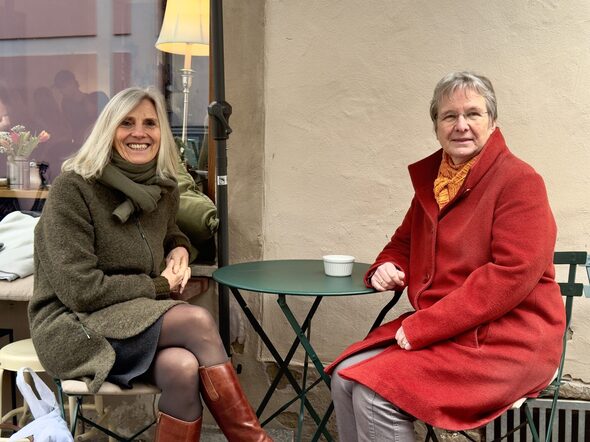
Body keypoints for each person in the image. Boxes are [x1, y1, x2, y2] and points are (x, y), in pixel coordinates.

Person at [326, 72, 565, 441]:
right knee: (344, 377)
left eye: (473, 114)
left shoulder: (519, 180)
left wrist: (424, 327)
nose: (461, 125)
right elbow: (403, 243)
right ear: (436, 126)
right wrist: (388, 266)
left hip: (507, 341)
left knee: (375, 396)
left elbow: (510, 275)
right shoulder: (436, 183)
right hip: (449, 332)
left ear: (492, 121)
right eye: (449, 116)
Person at [28, 86, 272, 441]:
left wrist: (180, 248)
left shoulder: (163, 189)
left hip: (132, 317)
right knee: (196, 321)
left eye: (150, 123)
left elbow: (169, 232)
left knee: (183, 368)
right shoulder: (74, 189)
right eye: (127, 123)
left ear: (162, 133)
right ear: (108, 129)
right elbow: (81, 291)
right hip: (75, 326)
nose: (139, 133)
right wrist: (160, 285)